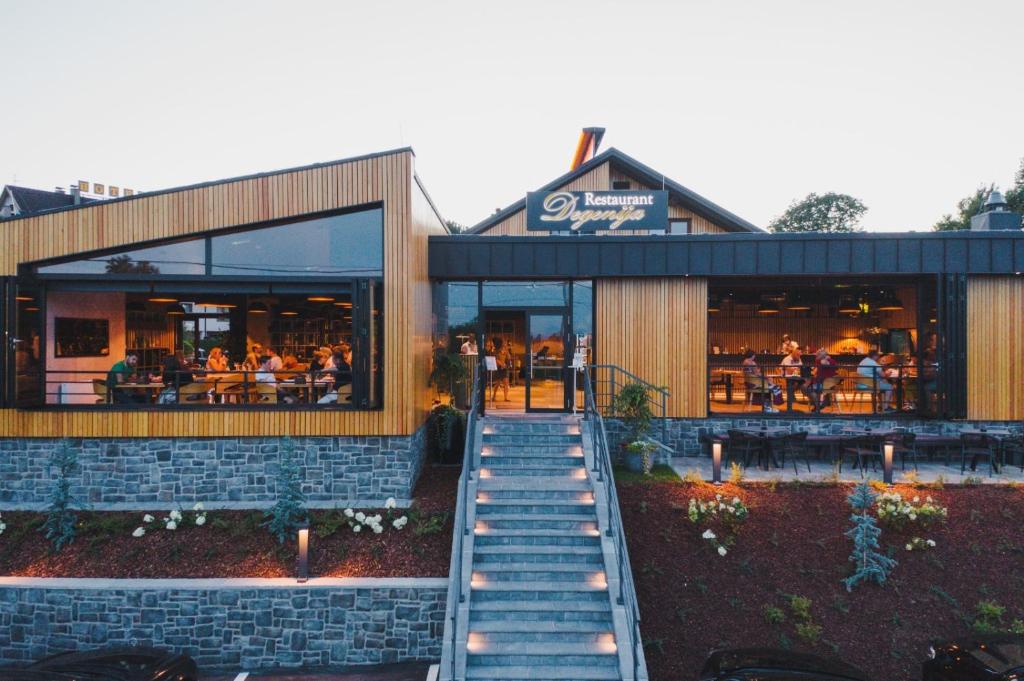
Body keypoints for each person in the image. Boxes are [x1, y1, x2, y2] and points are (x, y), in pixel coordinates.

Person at [779, 345, 811, 410]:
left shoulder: (799, 359)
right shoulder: (787, 359)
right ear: (793, 353)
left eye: (800, 355)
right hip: (786, 379)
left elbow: (801, 369)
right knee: (795, 384)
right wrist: (797, 370)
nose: (799, 357)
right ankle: (791, 404)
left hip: (796, 378)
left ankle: (812, 398)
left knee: (807, 381)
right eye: (797, 355)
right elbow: (789, 371)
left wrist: (799, 370)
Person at [810, 348, 839, 412]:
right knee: (812, 387)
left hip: (822, 384)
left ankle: (818, 405)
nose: (816, 357)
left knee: (809, 389)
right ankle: (819, 405)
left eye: (817, 355)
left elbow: (822, 366)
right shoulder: (832, 361)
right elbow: (836, 369)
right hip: (830, 384)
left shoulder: (819, 360)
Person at [489, 336, 512, 402]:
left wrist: (507, 353)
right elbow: (496, 359)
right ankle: (494, 396)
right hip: (499, 368)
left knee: (506, 383)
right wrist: (501, 364)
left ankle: (505, 397)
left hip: (504, 368)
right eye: (503, 342)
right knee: (498, 383)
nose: (504, 343)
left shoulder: (505, 349)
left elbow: (509, 357)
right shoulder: (495, 350)